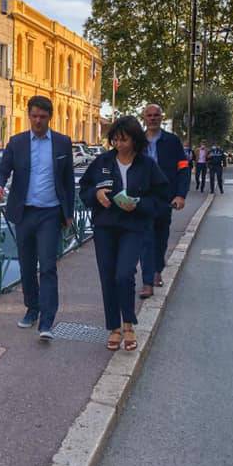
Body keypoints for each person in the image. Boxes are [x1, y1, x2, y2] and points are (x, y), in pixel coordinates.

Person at [79, 116, 170, 352]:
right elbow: (84, 189)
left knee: (124, 274)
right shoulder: (102, 162)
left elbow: (161, 198)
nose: (119, 145)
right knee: (108, 276)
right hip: (105, 227)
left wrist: (139, 203)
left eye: (124, 140)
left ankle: (128, 323)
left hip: (133, 227)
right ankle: (114, 328)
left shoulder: (147, 165)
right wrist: (96, 195)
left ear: (135, 140)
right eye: (115, 140)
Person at [0, 95, 74, 341]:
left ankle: (47, 321)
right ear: (29, 115)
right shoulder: (17, 143)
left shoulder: (62, 143)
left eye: (43, 116)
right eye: (34, 116)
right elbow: (2, 170)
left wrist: (68, 213)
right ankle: (32, 308)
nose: (38, 120)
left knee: (47, 266)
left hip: (50, 212)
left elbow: (68, 180)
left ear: (50, 117)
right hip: (24, 212)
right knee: (27, 265)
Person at [139, 104, 190, 298]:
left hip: (165, 199)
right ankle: (147, 281)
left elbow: (183, 168)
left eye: (156, 115)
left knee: (160, 239)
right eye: (149, 115)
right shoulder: (137, 141)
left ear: (161, 118)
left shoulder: (172, 142)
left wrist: (181, 195)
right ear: (144, 118)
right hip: (143, 199)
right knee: (146, 240)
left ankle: (157, 270)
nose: (152, 118)